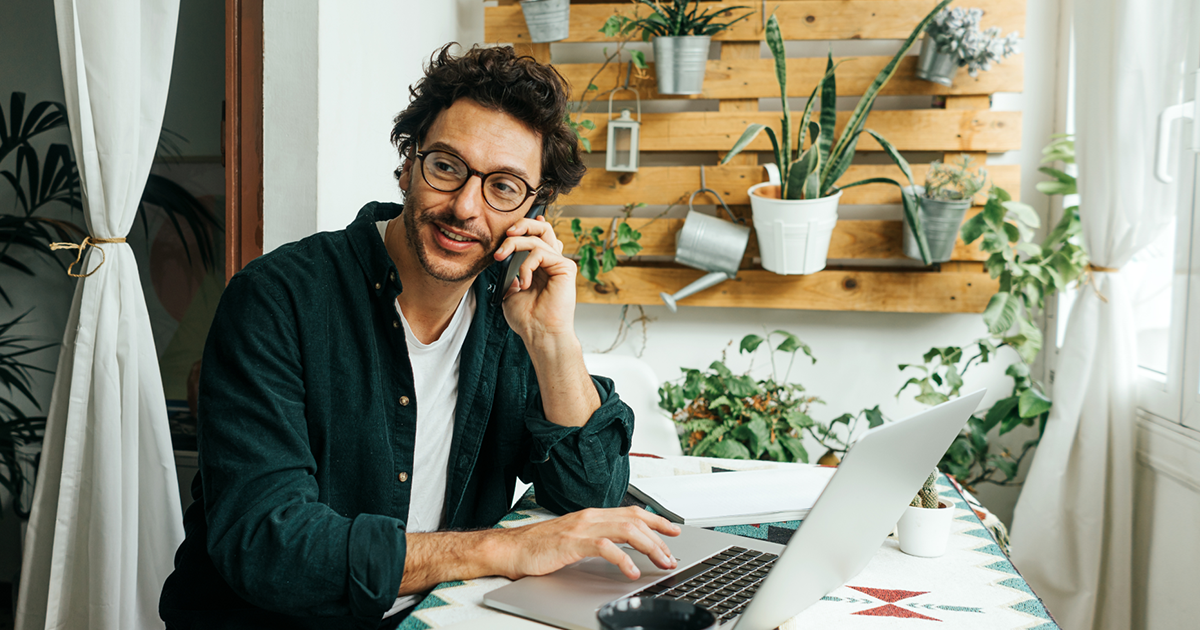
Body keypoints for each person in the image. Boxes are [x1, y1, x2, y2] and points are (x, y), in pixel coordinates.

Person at [159, 44, 680, 630]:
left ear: (533, 211)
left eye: (503, 187)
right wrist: (499, 549)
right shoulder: (277, 299)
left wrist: (551, 339)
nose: (464, 207)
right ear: (408, 165)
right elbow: (268, 545)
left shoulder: (508, 313)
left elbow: (590, 498)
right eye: (446, 167)